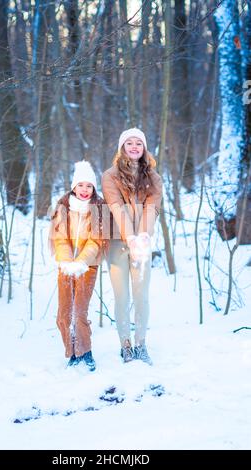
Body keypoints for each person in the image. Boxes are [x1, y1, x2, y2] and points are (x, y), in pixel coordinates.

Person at [102, 128, 163, 364]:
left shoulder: (154, 178)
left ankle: (141, 343)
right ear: (122, 147)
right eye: (130, 143)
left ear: (144, 147)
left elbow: (151, 208)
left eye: (139, 143)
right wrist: (131, 238)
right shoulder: (110, 175)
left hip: (142, 243)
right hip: (118, 240)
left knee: (141, 296)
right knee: (122, 297)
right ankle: (125, 344)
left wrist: (144, 238)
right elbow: (116, 207)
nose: (135, 147)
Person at [49, 161, 105, 371]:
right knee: (63, 314)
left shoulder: (100, 209)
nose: (84, 189)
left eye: (88, 186)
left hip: (87, 267)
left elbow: (96, 241)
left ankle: (85, 351)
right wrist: (66, 262)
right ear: (74, 186)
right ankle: (72, 352)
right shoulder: (63, 207)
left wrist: (81, 262)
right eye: (80, 185)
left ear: (93, 188)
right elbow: (60, 239)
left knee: (79, 312)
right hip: (65, 267)